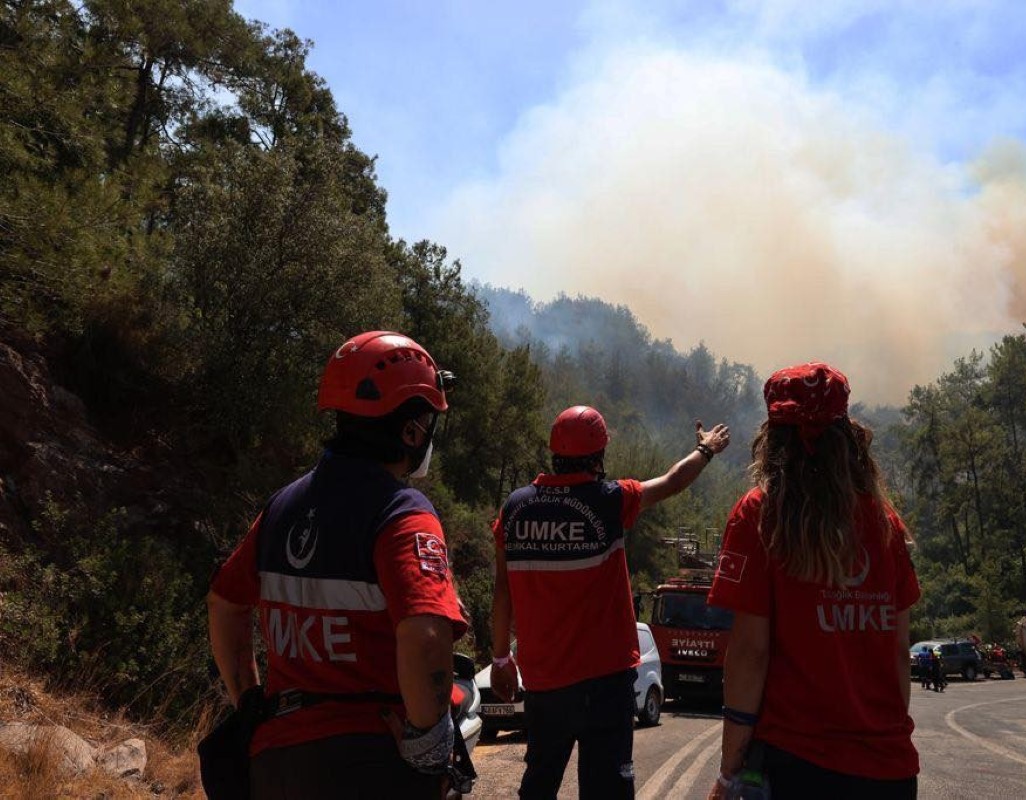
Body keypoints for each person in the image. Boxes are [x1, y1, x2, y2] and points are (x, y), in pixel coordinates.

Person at [207, 332, 469, 799]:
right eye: (427, 419)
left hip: (277, 764)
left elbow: (225, 603)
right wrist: (430, 747)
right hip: (369, 762)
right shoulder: (403, 513)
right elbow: (426, 636)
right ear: (410, 430)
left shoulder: (282, 507)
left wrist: (249, 702)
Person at [490, 405, 730, 799]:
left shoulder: (515, 508)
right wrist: (705, 450)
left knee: (539, 784)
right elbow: (671, 482)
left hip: (544, 683)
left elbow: (502, 592)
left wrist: (501, 659)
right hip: (605, 683)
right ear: (598, 456)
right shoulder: (609, 500)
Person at [706, 363, 920, 799]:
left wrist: (729, 771)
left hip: (797, 766)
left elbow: (750, 652)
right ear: (846, 434)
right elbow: (899, 654)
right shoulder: (886, 525)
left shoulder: (760, 516)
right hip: (890, 774)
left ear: (773, 437)